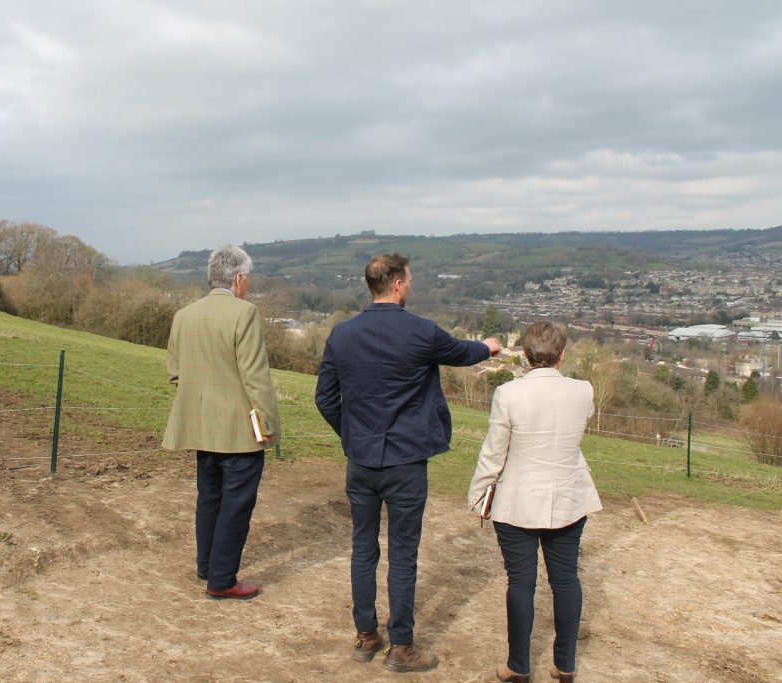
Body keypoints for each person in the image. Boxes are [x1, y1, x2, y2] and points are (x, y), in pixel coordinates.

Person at [315, 253, 501, 674]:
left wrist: (353, 435)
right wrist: (490, 347)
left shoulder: (341, 334)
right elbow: (463, 353)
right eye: (410, 280)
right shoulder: (421, 332)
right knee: (403, 553)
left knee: (362, 547)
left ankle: (366, 635)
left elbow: (325, 399)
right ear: (397, 284)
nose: (411, 286)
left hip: (360, 460)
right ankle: (401, 647)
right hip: (406, 461)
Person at [467, 320, 602, 683]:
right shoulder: (583, 390)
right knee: (566, 581)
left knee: (521, 583)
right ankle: (565, 663)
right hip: (569, 497)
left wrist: (478, 493)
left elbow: (494, 454)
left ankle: (518, 665)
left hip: (518, 501)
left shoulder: (509, 394)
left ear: (525, 355)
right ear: (562, 353)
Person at [163, 244, 280, 601]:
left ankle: (207, 564)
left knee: (209, 497)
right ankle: (222, 579)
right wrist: (269, 424)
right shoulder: (244, 313)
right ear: (239, 278)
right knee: (236, 503)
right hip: (239, 432)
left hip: (200, 427)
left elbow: (174, 371)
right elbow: (255, 377)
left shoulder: (184, 315)